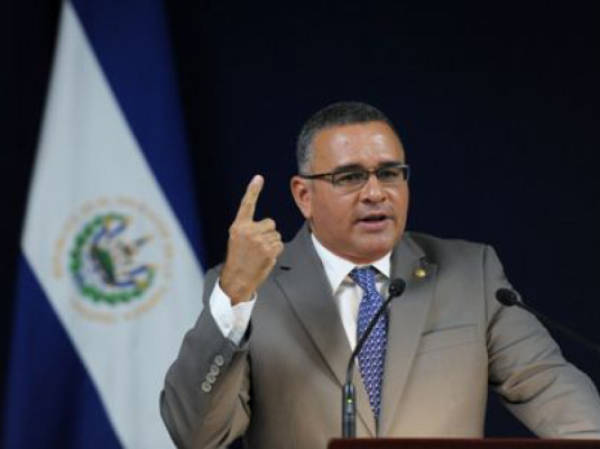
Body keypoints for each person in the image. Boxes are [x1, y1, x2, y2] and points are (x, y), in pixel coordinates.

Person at [160, 102, 600, 448]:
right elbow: (196, 435)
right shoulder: (249, 290)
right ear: (304, 195)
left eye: (389, 173)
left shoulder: (472, 274)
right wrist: (233, 297)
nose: (376, 193)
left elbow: (551, 390)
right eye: (350, 177)